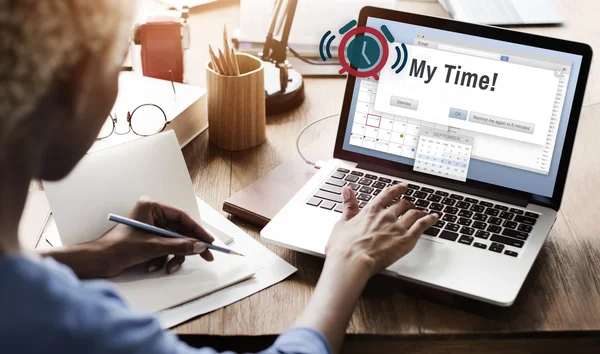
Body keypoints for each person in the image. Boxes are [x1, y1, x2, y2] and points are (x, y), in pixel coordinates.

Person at [0, 1, 438, 353]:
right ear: (70, 89)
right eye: (117, 66)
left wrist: (94, 255)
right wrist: (349, 262)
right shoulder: (77, 328)